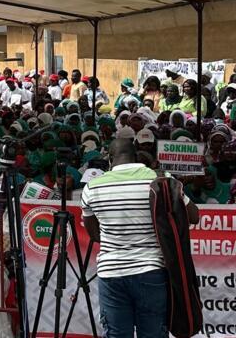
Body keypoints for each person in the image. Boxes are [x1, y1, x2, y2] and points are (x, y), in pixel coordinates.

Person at [81, 138, 199, 338]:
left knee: (117, 334)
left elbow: (94, 234)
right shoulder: (161, 179)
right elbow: (194, 215)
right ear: (136, 156)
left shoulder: (92, 188)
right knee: (153, 333)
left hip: (111, 273)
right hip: (151, 270)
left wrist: (119, 236)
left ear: (110, 159)